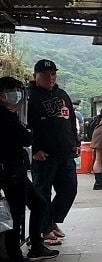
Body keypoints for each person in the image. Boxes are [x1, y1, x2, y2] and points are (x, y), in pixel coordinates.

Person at [0, 76, 58, 262]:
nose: (16, 95)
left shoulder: (9, 114)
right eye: (12, 91)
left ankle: (35, 245)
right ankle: (14, 259)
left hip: (15, 170)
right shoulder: (5, 116)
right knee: (16, 215)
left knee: (38, 204)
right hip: (10, 171)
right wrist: (28, 130)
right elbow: (25, 138)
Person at [27, 59, 80, 245]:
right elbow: (25, 125)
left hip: (66, 152)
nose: (50, 78)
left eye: (53, 74)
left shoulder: (62, 95)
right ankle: (45, 229)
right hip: (44, 155)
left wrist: (76, 142)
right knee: (43, 193)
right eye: (45, 74)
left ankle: (50, 221)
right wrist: (34, 149)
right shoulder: (29, 97)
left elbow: (71, 122)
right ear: (35, 76)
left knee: (70, 189)